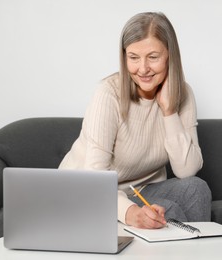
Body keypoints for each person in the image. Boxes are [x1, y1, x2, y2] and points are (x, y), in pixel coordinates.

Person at [59, 12, 211, 229]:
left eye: (153, 57)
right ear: (124, 57)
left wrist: (169, 111)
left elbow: (186, 171)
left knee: (197, 189)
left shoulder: (183, 94)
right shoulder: (108, 94)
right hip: (87, 191)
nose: (143, 69)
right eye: (133, 58)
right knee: (171, 212)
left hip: (142, 190)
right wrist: (130, 213)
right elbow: (94, 179)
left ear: (170, 55)